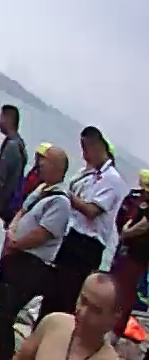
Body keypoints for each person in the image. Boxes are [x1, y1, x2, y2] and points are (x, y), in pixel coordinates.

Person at [0, 146, 73, 360]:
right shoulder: (40, 190)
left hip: (31, 264)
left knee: (6, 313)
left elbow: (44, 232)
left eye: (46, 161)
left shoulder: (60, 202)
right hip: (16, 257)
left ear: (58, 168)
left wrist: (18, 243)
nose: (40, 164)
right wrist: (12, 233)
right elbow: (22, 212)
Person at [53, 127, 127, 319]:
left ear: (96, 147)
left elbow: (92, 211)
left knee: (68, 296)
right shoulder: (88, 174)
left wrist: (66, 196)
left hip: (88, 244)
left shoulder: (111, 180)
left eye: (86, 149)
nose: (84, 155)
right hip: (72, 235)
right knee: (54, 289)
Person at [108, 167, 149, 336]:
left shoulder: (139, 200)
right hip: (127, 249)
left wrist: (127, 232)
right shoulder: (135, 197)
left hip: (138, 255)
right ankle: (109, 321)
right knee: (116, 284)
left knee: (125, 291)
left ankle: (115, 329)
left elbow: (144, 224)